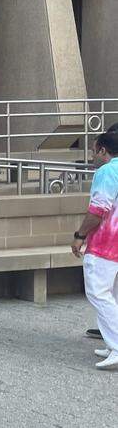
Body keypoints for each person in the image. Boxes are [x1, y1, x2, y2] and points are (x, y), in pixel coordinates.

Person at [72, 132, 118, 370]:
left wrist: (80, 236)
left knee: (98, 293)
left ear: (103, 151)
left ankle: (116, 345)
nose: (92, 155)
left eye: (93, 150)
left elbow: (98, 209)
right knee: (112, 294)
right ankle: (112, 344)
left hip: (106, 243)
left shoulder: (107, 171)